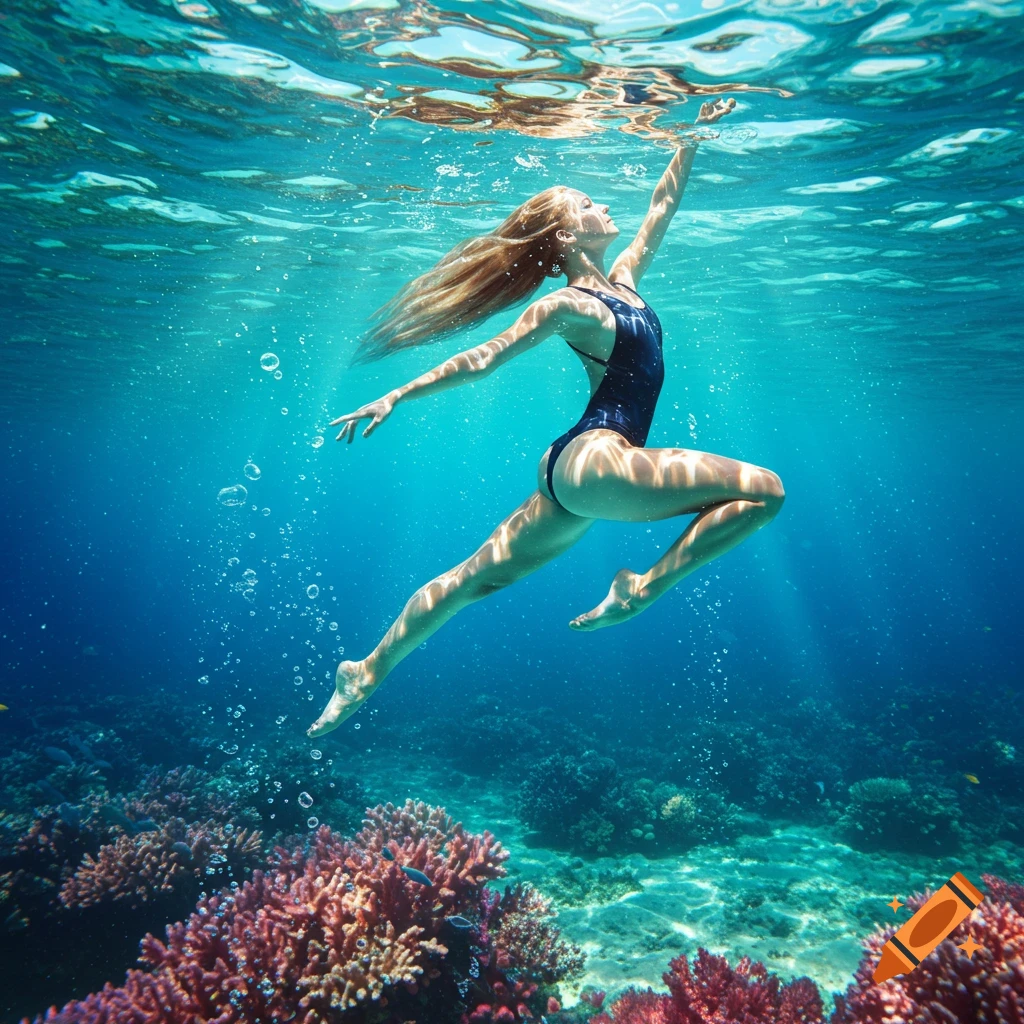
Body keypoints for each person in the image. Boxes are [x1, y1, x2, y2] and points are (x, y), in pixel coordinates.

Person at [308, 97, 784, 738]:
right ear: (565, 237)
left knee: (474, 580)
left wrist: (689, 140)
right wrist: (399, 393)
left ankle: (364, 671)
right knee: (765, 491)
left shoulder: (625, 278)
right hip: (597, 458)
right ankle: (639, 590)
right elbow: (487, 357)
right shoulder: (568, 305)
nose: (603, 206)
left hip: (579, 467)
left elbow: (660, 209)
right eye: (588, 205)